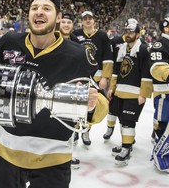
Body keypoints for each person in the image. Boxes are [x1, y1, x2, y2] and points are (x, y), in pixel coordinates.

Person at [0, 0, 109, 188]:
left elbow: (100, 103)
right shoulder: (8, 42)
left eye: (46, 8)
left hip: (53, 158)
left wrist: (92, 105)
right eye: (34, 8)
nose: (39, 12)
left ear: (58, 17)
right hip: (6, 152)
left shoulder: (77, 55)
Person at [107, 18, 153, 166]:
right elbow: (116, 71)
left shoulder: (144, 49)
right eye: (126, 31)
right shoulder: (122, 49)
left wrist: (143, 94)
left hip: (134, 94)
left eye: (131, 32)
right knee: (122, 119)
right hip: (120, 91)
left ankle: (126, 149)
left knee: (128, 122)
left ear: (138, 34)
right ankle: (126, 144)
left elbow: (147, 73)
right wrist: (112, 88)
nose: (128, 34)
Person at [72, 11, 113, 146]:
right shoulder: (75, 35)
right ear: (82, 21)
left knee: (92, 106)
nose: (88, 20)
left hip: (96, 77)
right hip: (79, 75)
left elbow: (108, 58)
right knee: (76, 104)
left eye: (90, 18)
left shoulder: (102, 36)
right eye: (85, 19)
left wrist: (105, 77)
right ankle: (74, 130)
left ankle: (86, 130)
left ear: (94, 20)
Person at [59, 11, 81, 169]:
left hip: (71, 87)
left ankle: (66, 156)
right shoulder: (50, 39)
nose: (66, 25)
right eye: (64, 22)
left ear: (73, 25)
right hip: (52, 86)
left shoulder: (77, 43)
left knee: (69, 124)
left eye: (69, 22)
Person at [149, 17, 169, 171]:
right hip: (164, 92)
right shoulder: (160, 43)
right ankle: (160, 157)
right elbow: (156, 68)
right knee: (162, 123)